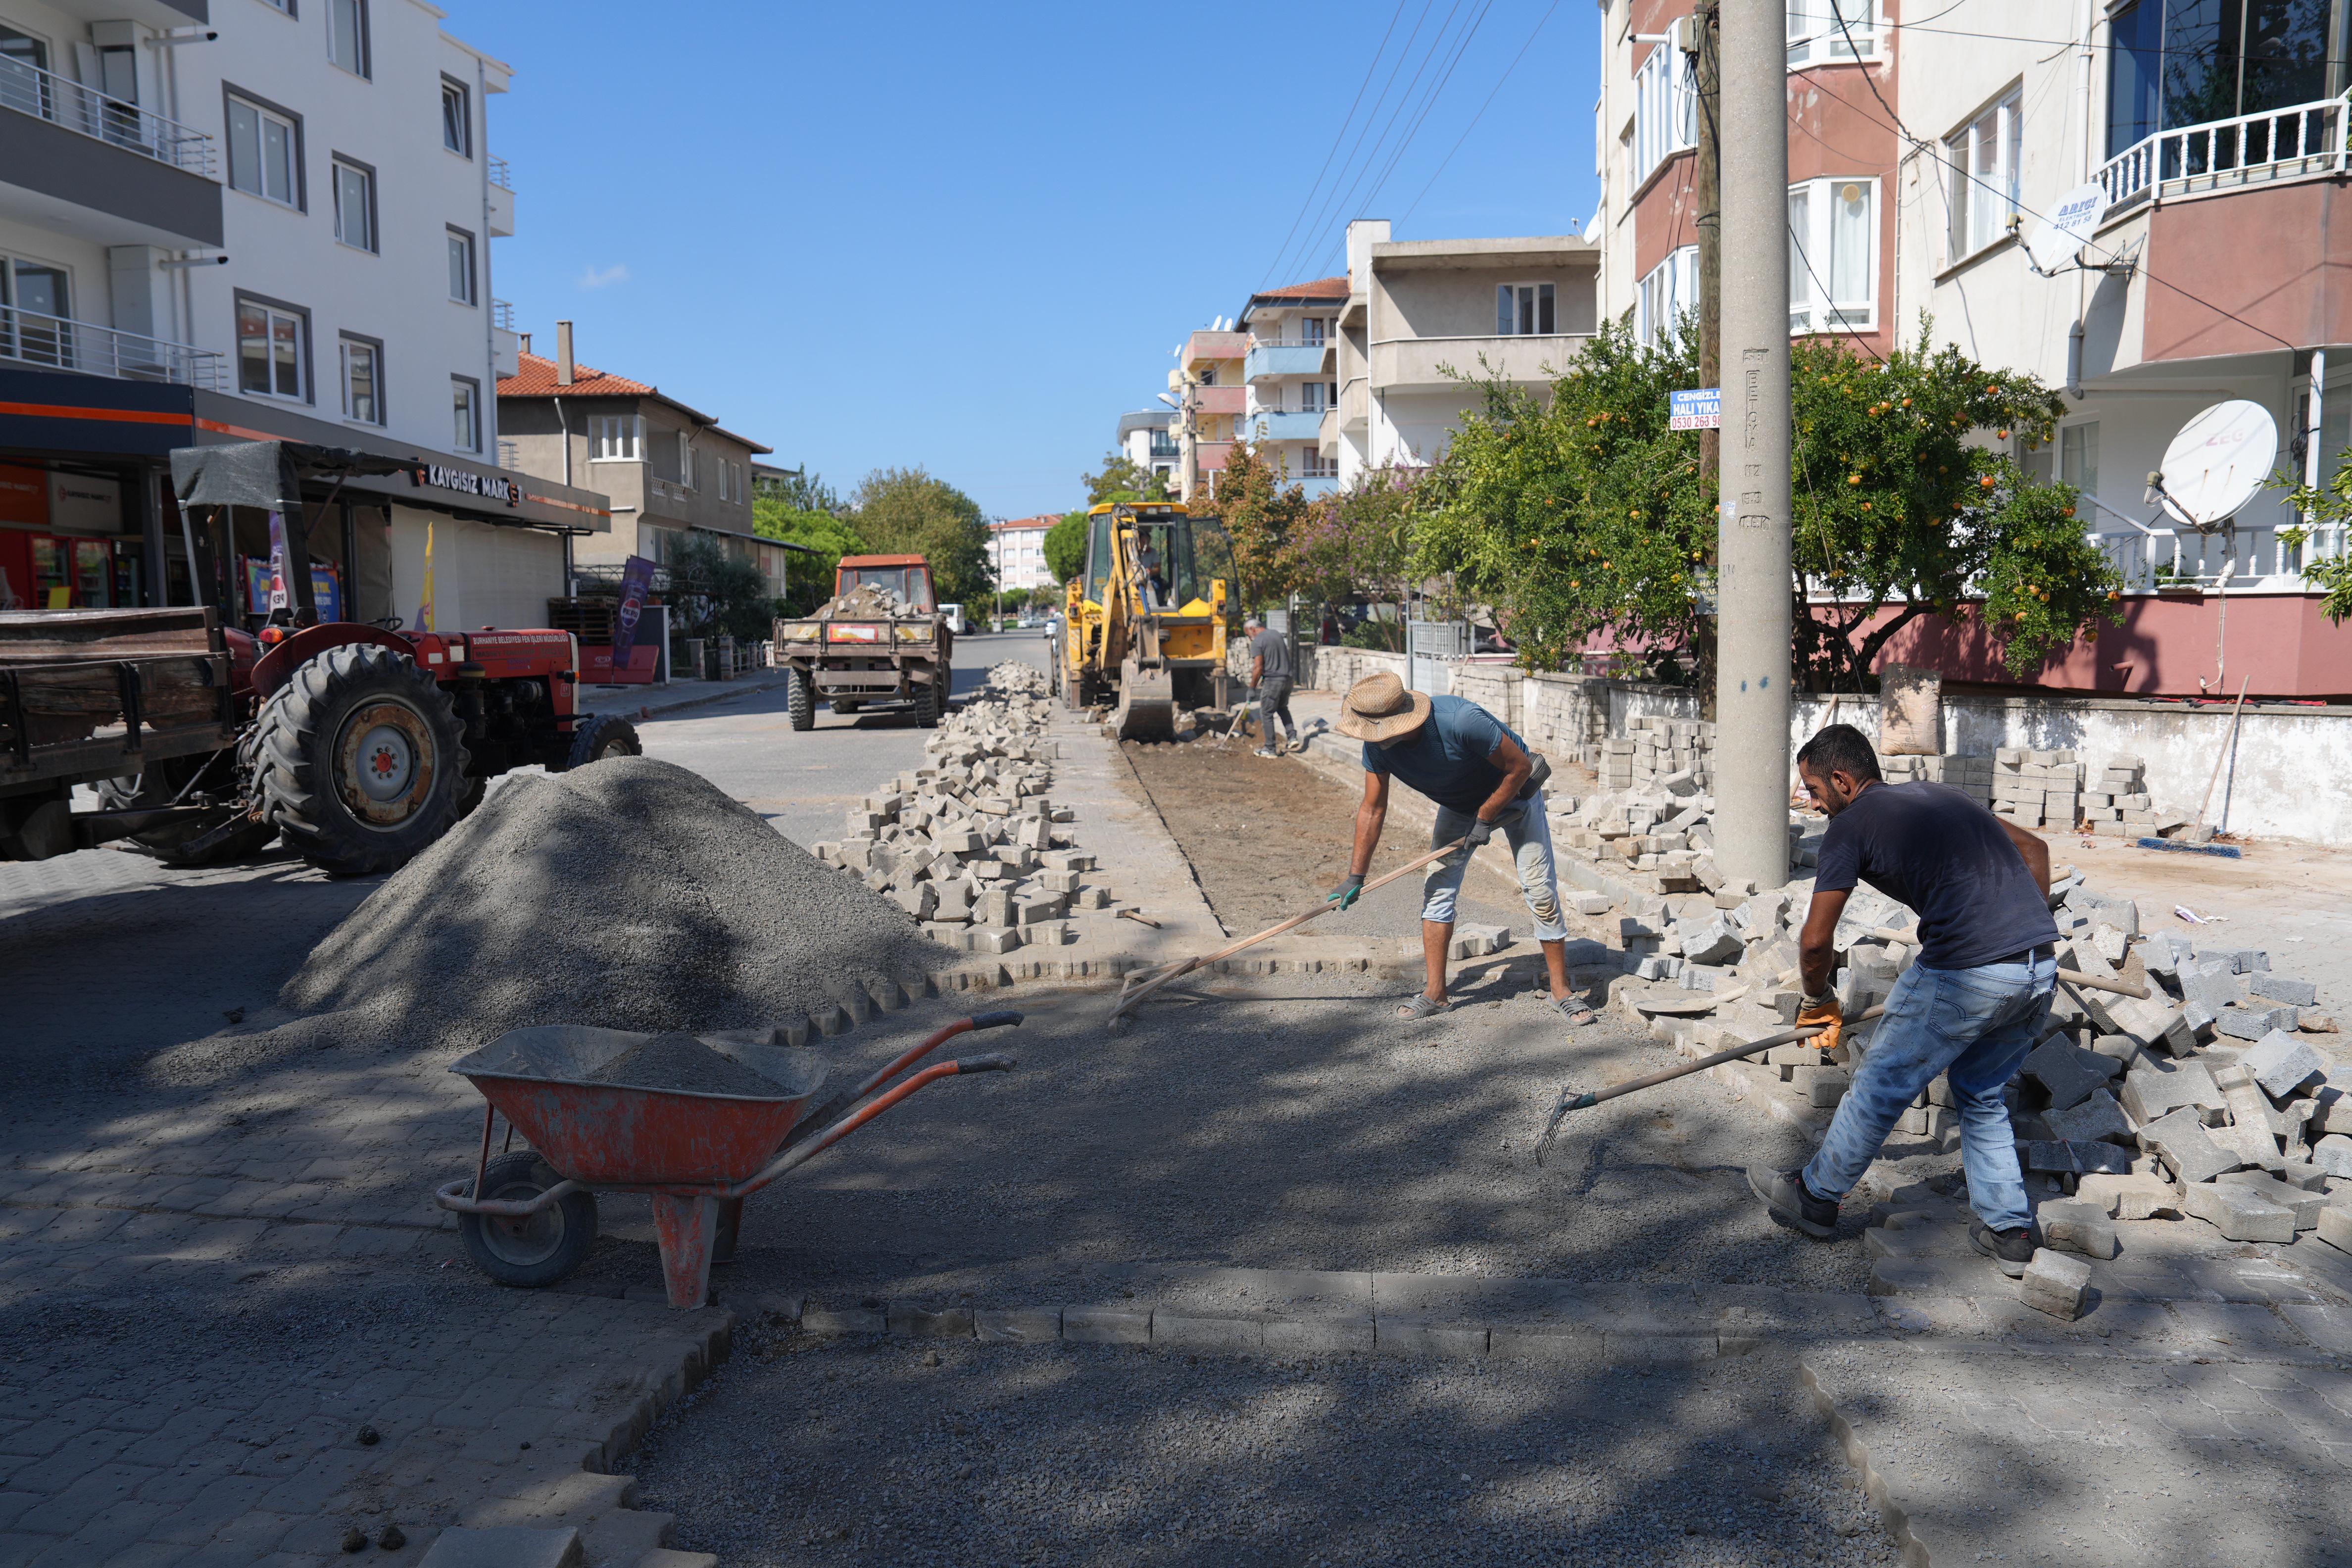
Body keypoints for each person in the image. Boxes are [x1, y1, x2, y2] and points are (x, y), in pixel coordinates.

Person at [1748, 723, 2059, 1277]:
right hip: (2038, 969)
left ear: (1842, 781)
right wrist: (2018, 932)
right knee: (1981, 1093)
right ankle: (2010, 1230)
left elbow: (1817, 939)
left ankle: (1816, 1198)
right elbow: (2035, 849)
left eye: (1815, 792)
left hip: (1966, 969)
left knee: (1880, 1083)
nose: (1813, 804)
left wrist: (1817, 998)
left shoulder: (1849, 828)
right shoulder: (1944, 795)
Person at [1326, 672, 1594, 1026]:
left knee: (1539, 889)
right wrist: (1355, 875)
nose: (1376, 740)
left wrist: (1485, 816)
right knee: (1438, 889)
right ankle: (1435, 993)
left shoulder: (1460, 721)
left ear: (1404, 720)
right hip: (1457, 805)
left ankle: (1562, 991)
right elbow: (1373, 808)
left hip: (1517, 794)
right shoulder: (1378, 747)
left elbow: (1520, 767)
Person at [1244, 615, 1297, 757]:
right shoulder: (1276, 634)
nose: (1249, 638)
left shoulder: (1258, 641)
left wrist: (1251, 688)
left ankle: (1270, 748)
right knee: (1282, 708)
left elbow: (1258, 667)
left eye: (1248, 635)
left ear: (1252, 629)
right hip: (1288, 679)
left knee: (1266, 713)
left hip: (1274, 681)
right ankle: (1292, 737)